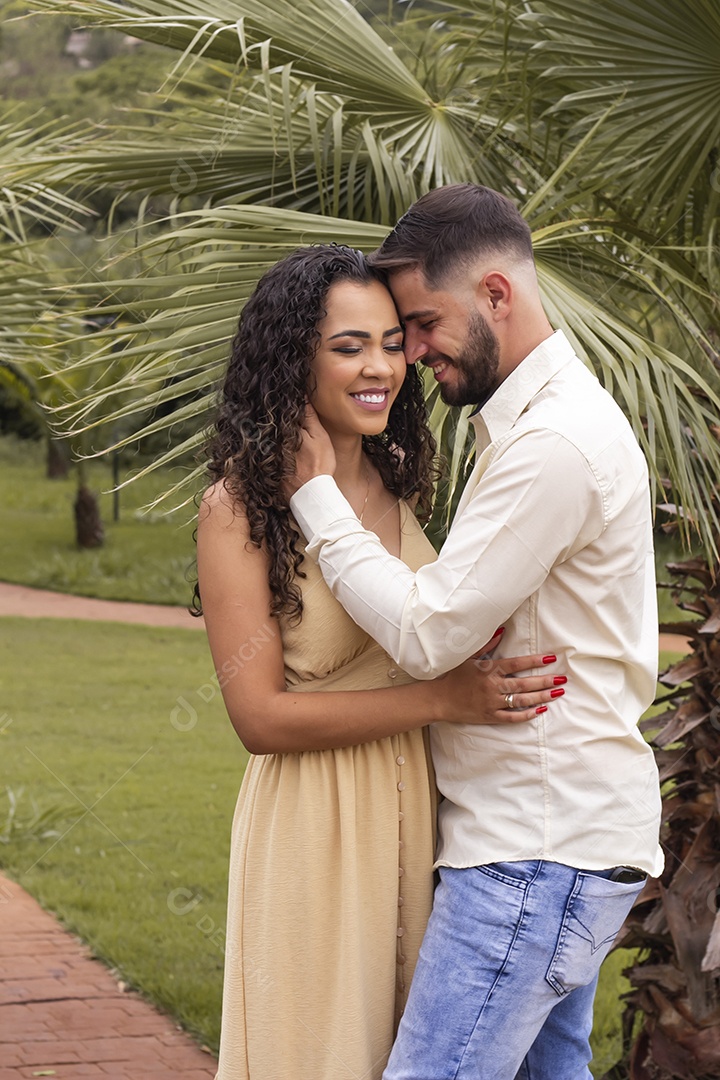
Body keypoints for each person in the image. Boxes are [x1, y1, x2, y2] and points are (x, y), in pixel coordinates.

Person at [286, 187, 665, 1079]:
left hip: (533, 854)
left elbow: (428, 633)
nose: (412, 355)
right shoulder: (541, 426)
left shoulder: (553, 445)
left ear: (496, 293)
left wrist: (316, 496)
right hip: (559, 843)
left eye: (422, 323)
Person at [195, 244, 563, 1080]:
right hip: (314, 827)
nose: (382, 367)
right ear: (296, 359)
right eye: (348, 345)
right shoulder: (238, 507)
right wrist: (443, 700)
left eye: (393, 342)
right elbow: (258, 719)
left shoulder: (399, 483)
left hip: (420, 815)